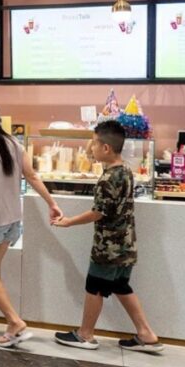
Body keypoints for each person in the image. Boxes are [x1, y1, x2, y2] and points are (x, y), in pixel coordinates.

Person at [0, 101, 63, 348]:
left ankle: (14, 321)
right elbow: (32, 175)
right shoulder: (14, 143)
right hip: (12, 219)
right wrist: (52, 203)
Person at [52, 120, 163, 353]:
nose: (91, 148)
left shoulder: (107, 179)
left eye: (94, 144)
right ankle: (146, 333)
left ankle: (85, 334)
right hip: (127, 243)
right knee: (121, 285)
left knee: (94, 286)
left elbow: (98, 213)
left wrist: (68, 222)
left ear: (106, 148)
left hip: (108, 246)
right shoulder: (126, 171)